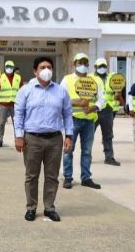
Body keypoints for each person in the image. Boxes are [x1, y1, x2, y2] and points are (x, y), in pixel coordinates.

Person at [14, 56, 73, 222]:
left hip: (55, 139)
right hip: (32, 139)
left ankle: (49, 207)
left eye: (49, 67)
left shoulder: (60, 91)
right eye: (42, 67)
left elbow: (68, 114)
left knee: (52, 176)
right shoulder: (26, 90)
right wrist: (19, 136)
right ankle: (31, 207)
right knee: (31, 176)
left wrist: (69, 135)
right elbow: (19, 114)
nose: (46, 70)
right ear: (35, 71)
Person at [60, 53, 105, 189]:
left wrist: (93, 107)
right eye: (80, 63)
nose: (83, 65)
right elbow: (61, 99)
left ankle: (86, 177)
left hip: (89, 121)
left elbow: (102, 98)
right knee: (68, 149)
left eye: (85, 63)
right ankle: (68, 177)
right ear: (74, 64)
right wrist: (78, 103)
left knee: (87, 151)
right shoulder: (67, 80)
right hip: (72, 120)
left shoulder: (95, 80)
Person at [93, 58, 123, 166]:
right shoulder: (91, 78)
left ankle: (109, 157)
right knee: (89, 134)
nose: (102, 68)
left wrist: (118, 94)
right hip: (95, 109)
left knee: (108, 135)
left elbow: (117, 91)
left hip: (108, 108)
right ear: (95, 67)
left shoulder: (112, 77)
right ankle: (86, 157)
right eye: (100, 66)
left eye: (104, 66)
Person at [0, 60, 23, 148]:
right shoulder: (1, 77)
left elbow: (22, 90)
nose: (9, 68)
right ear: (5, 67)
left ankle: (17, 140)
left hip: (15, 104)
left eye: (11, 67)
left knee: (17, 123)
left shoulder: (18, 77)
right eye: (7, 67)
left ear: (13, 68)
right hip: (4, 104)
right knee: (1, 123)